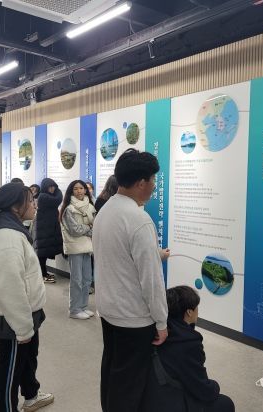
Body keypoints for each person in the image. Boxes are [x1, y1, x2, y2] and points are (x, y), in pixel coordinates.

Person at [93, 148, 168, 412]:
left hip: (109, 309)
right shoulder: (139, 220)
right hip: (133, 317)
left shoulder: (105, 210)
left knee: (113, 372)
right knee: (130, 385)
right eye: (153, 180)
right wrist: (161, 321)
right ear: (141, 183)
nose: (154, 186)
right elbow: (151, 280)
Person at [0, 183, 54, 412]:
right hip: (12, 318)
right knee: (10, 369)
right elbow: (10, 289)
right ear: (15, 207)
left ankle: (31, 395)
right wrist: (22, 328)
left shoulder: (13, 230)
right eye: (30, 201)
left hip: (24, 313)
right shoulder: (7, 238)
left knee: (27, 359)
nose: (34, 205)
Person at [141, 286, 235, 412]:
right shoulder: (188, 342)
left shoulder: (158, 329)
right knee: (225, 404)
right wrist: (215, 386)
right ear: (189, 312)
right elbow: (202, 389)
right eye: (197, 307)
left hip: (147, 397)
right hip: (168, 402)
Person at [60, 180, 96, 319]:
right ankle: (74, 310)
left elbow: (95, 226)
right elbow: (74, 230)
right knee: (77, 280)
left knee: (87, 279)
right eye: (76, 189)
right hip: (75, 247)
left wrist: (87, 229)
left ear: (85, 190)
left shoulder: (90, 206)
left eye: (81, 188)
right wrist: (89, 228)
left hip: (87, 246)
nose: (79, 191)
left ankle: (83, 306)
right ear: (71, 191)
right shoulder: (69, 209)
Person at [33, 178, 63, 284]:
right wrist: (59, 190)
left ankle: (43, 273)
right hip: (44, 228)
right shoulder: (43, 196)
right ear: (45, 187)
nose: (52, 189)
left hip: (47, 228)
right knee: (42, 253)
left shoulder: (45, 196)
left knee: (44, 253)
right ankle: (42, 275)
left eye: (54, 186)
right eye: (50, 187)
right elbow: (58, 199)